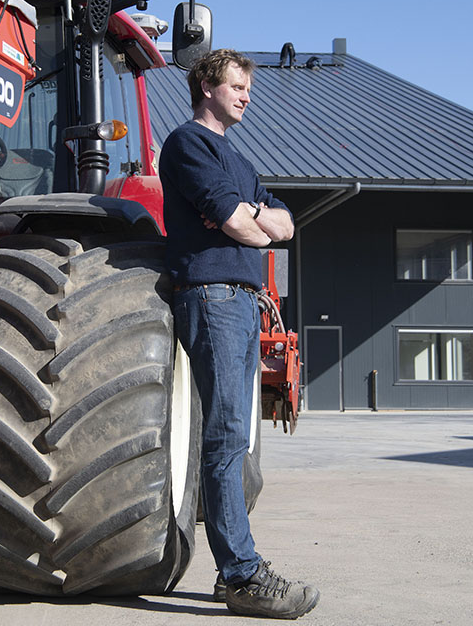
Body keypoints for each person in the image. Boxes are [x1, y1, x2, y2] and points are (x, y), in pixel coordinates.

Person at [158, 49, 320, 619]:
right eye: (235, 85)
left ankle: (237, 568)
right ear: (206, 86)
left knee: (232, 434)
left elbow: (284, 226)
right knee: (226, 434)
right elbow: (239, 229)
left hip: (242, 302)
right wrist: (249, 221)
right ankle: (241, 575)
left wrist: (252, 214)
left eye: (247, 87)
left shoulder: (239, 160)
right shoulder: (187, 144)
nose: (246, 95)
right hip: (214, 295)